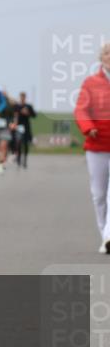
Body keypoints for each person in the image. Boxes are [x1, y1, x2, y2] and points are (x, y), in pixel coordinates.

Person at [74, 42, 110, 254]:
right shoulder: (90, 83)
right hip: (96, 146)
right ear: (101, 57)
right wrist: (89, 128)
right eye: (107, 52)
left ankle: (108, 236)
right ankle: (104, 235)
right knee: (99, 194)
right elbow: (81, 110)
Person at [0, 90, 16, 175]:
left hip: (5, 127)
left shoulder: (9, 105)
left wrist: (12, 123)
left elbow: (12, 116)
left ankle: (0, 165)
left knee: (3, 146)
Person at [13, 92, 36, 168]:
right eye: (21, 97)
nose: (22, 98)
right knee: (19, 143)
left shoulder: (28, 106)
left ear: (25, 98)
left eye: (24, 97)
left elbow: (34, 115)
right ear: (20, 97)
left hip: (26, 126)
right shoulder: (17, 106)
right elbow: (14, 114)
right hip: (19, 126)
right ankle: (19, 159)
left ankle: (25, 160)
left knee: (25, 144)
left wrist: (28, 113)